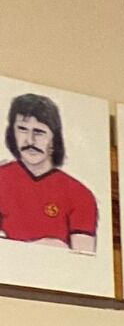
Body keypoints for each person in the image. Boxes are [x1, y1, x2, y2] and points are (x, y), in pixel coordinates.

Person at [0, 92, 98, 250]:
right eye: (22, 129)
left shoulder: (79, 194)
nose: (30, 140)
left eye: (39, 132)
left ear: (54, 138)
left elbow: (83, 259)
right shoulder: (2, 178)